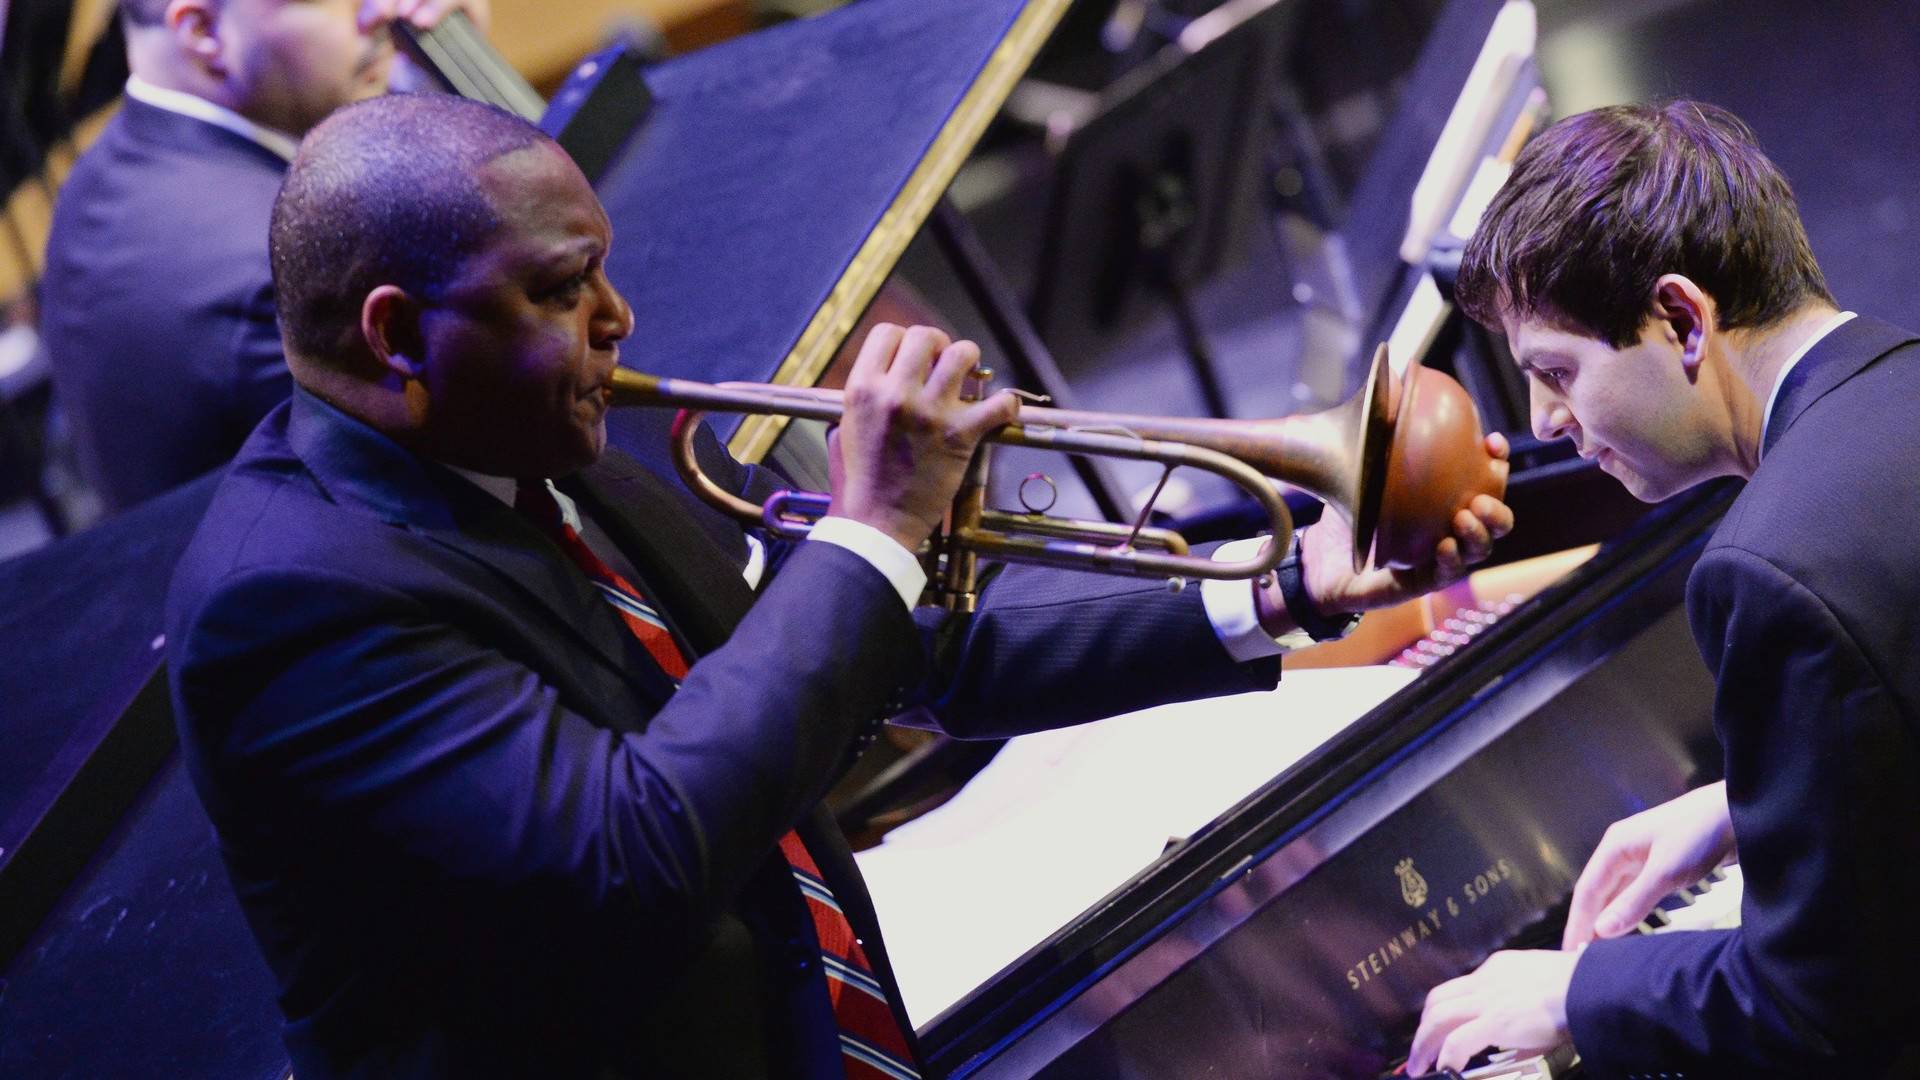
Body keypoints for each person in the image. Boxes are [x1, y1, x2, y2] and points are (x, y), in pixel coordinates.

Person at [166, 94, 1512, 1079]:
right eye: (564, 290)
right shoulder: (291, 600)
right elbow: (634, 856)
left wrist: (1288, 591)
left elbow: (910, 664)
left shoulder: (540, 453)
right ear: (397, 334)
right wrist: (873, 528)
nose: (621, 321)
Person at [1407, 100, 1920, 1078]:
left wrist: (1570, 993)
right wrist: (1747, 805)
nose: (1541, 421)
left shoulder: (1770, 568)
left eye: (1555, 370)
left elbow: (1818, 1013)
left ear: (1683, 319)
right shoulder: (1902, 375)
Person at [38, 0, 485, 512]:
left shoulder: (108, 175)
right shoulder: (288, 272)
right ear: (203, 31)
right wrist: (472, 123)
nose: (380, 12)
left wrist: (429, 81)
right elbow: (482, 475)